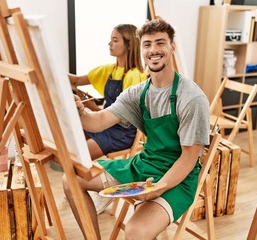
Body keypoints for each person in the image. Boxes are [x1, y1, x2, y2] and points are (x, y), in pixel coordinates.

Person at [62, 17, 210, 239]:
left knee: (135, 231)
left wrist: (158, 188)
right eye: (147, 44)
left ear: (172, 47)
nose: (154, 50)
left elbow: (188, 159)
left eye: (160, 43)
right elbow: (97, 121)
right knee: (71, 178)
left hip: (178, 178)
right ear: (141, 49)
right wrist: (80, 111)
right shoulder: (137, 93)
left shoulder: (191, 97)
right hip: (144, 164)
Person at [68, 24, 146, 160]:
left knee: (77, 157)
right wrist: (49, 67)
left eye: (115, 40)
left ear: (129, 45)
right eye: (111, 39)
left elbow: (124, 116)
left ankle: (84, 180)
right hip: (104, 124)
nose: (110, 44)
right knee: (70, 142)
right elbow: (75, 81)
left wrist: (92, 107)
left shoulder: (134, 75)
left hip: (121, 133)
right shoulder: (110, 70)